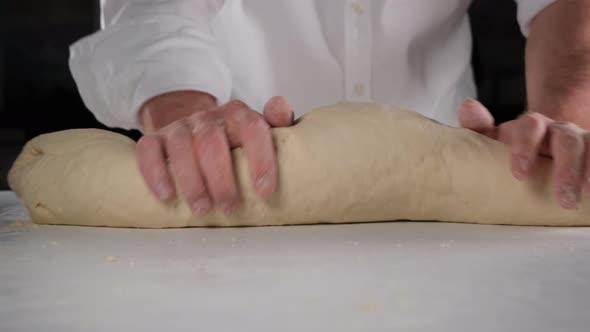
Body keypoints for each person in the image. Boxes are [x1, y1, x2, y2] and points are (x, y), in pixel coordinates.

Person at [69, 0, 590, 215]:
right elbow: (155, 9)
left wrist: (561, 121)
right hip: (235, 165)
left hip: (451, 160)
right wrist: (183, 111)